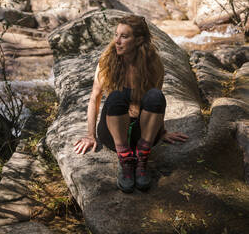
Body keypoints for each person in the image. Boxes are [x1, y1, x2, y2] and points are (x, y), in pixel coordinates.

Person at [73, 15, 188, 193]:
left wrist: (162, 131)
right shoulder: (107, 61)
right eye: (116, 35)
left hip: (144, 134)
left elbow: (156, 104)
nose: (117, 41)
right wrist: (90, 134)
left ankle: (142, 158)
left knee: (155, 95)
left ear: (139, 40)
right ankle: (125, 160)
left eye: (124, 37)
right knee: (116, 97)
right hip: (114, 133)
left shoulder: (153, 63)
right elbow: (95, 97)